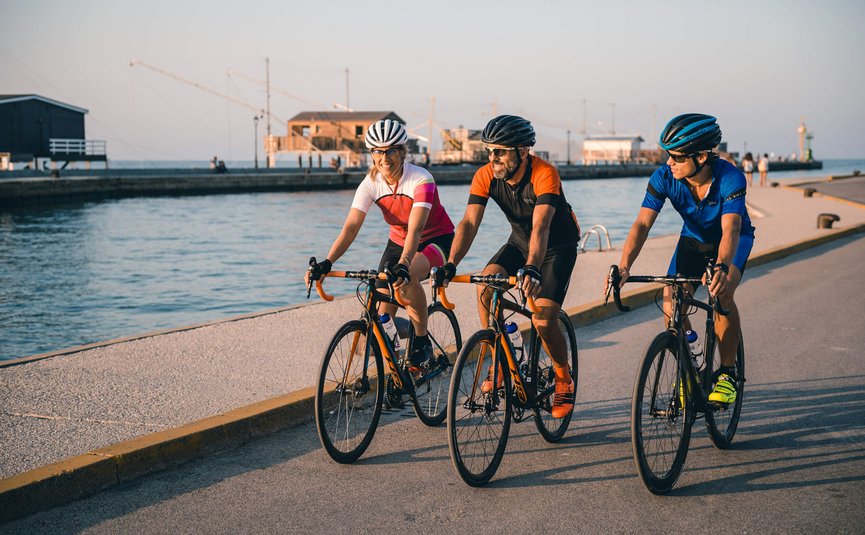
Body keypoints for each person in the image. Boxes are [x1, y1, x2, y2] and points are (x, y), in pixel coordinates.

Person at [437, 115, 581, 419]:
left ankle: (563, 376)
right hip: (518, 243)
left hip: (557, 247)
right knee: (486, 288)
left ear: (522, 151)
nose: (493, 158)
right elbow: (469, 222)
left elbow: (541, 227)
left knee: (543, 320)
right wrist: (451, 263)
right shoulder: (486, 175)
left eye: (500, 151)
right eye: (489, 151)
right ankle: (501, 359)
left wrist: (532, 268)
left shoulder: (545, 174)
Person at [613, 113, 755, 406]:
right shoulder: (664, 177)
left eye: (677, 157)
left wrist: (721, 267)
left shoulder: (730, 177)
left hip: (732, 240)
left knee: (722, 292)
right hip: (692, 239)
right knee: (670, 303)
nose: (669, 163)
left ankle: (727, 374)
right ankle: (692, 362)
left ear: (701, 156)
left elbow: (732, 228)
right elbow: (642, 225)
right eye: (669, 155)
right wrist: (625, 266)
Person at [306, 119, 455, 372]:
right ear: (371, 154)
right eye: (377, 151)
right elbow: (351, 227)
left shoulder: (421, 179)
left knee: (406, 283)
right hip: (398, 241)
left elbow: (417, 229)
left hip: (435, 238)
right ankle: (397, 370)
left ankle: (421, 342)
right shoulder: (370, 183)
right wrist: (327, 262)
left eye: (391, 151)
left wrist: (404, 266)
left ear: (403, 152)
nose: (384, 158)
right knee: (378, 321)